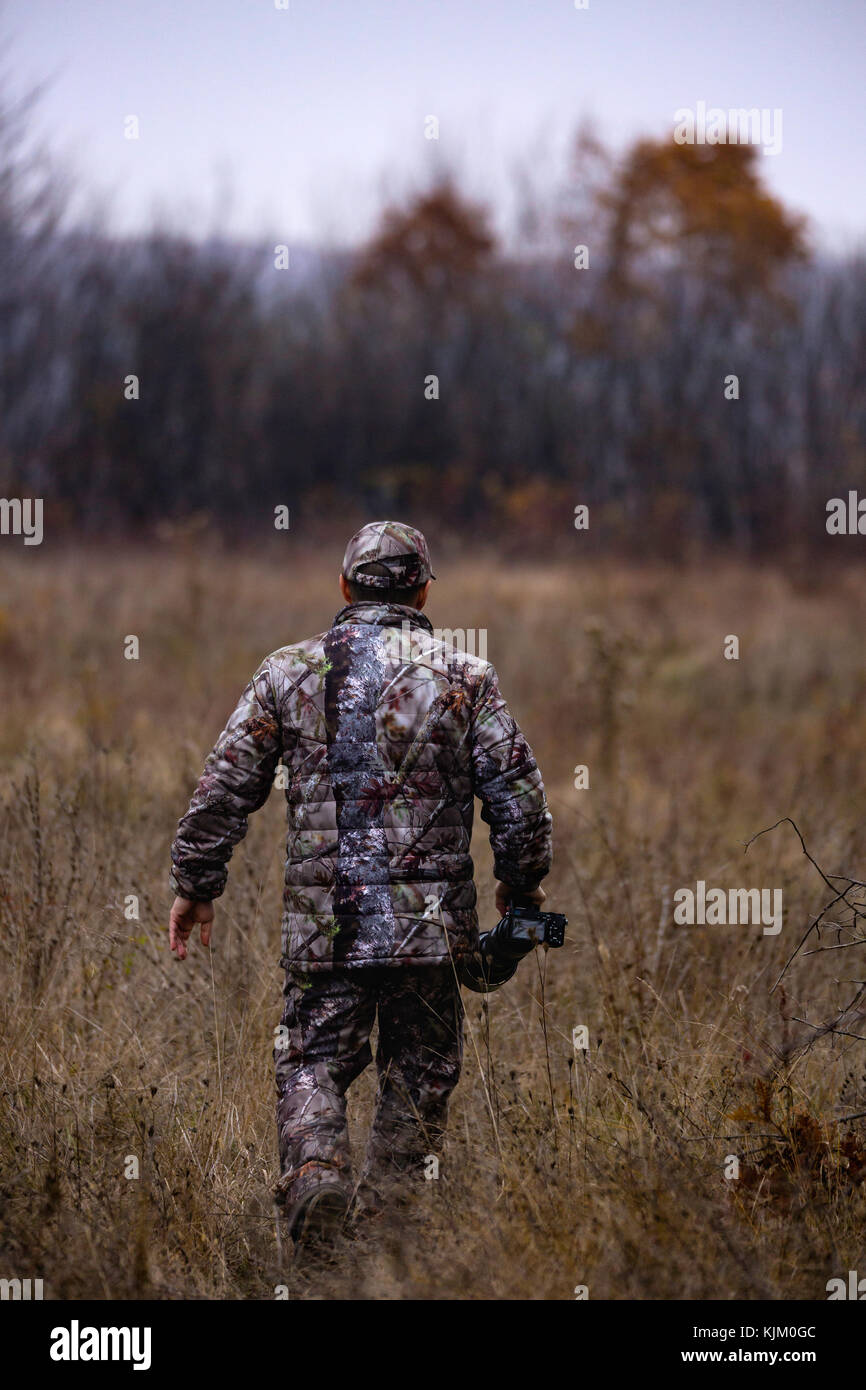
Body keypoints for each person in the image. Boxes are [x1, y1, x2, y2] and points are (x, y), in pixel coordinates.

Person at [168, 520, 552, 1243]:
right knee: (421, 1074)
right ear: (424, 588)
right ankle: (383, 1225)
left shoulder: (286, 672)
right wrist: (522, 885)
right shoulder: (466, 677)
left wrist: (197, 879)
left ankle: (315, 1177)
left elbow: (225, 784)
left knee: (311, 1061)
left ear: (344, 587)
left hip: (325, 930)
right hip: (430, 934)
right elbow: (519, 798)